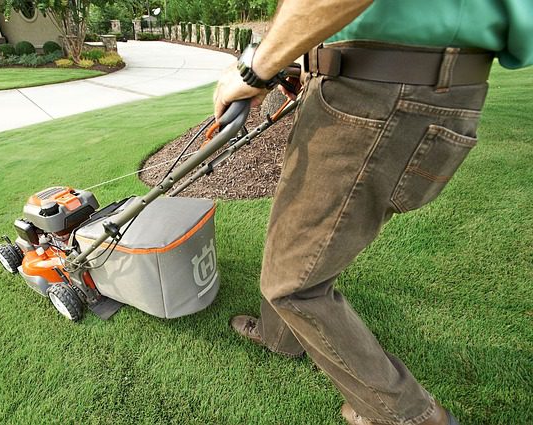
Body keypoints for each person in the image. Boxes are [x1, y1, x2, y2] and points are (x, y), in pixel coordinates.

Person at [213, 1, 532, 424]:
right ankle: (279, 338)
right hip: (388, 83)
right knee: (295, 233)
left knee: (294, 283)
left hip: (385, 92)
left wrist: (258, 67)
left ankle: (409, 416)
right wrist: (312, 61)